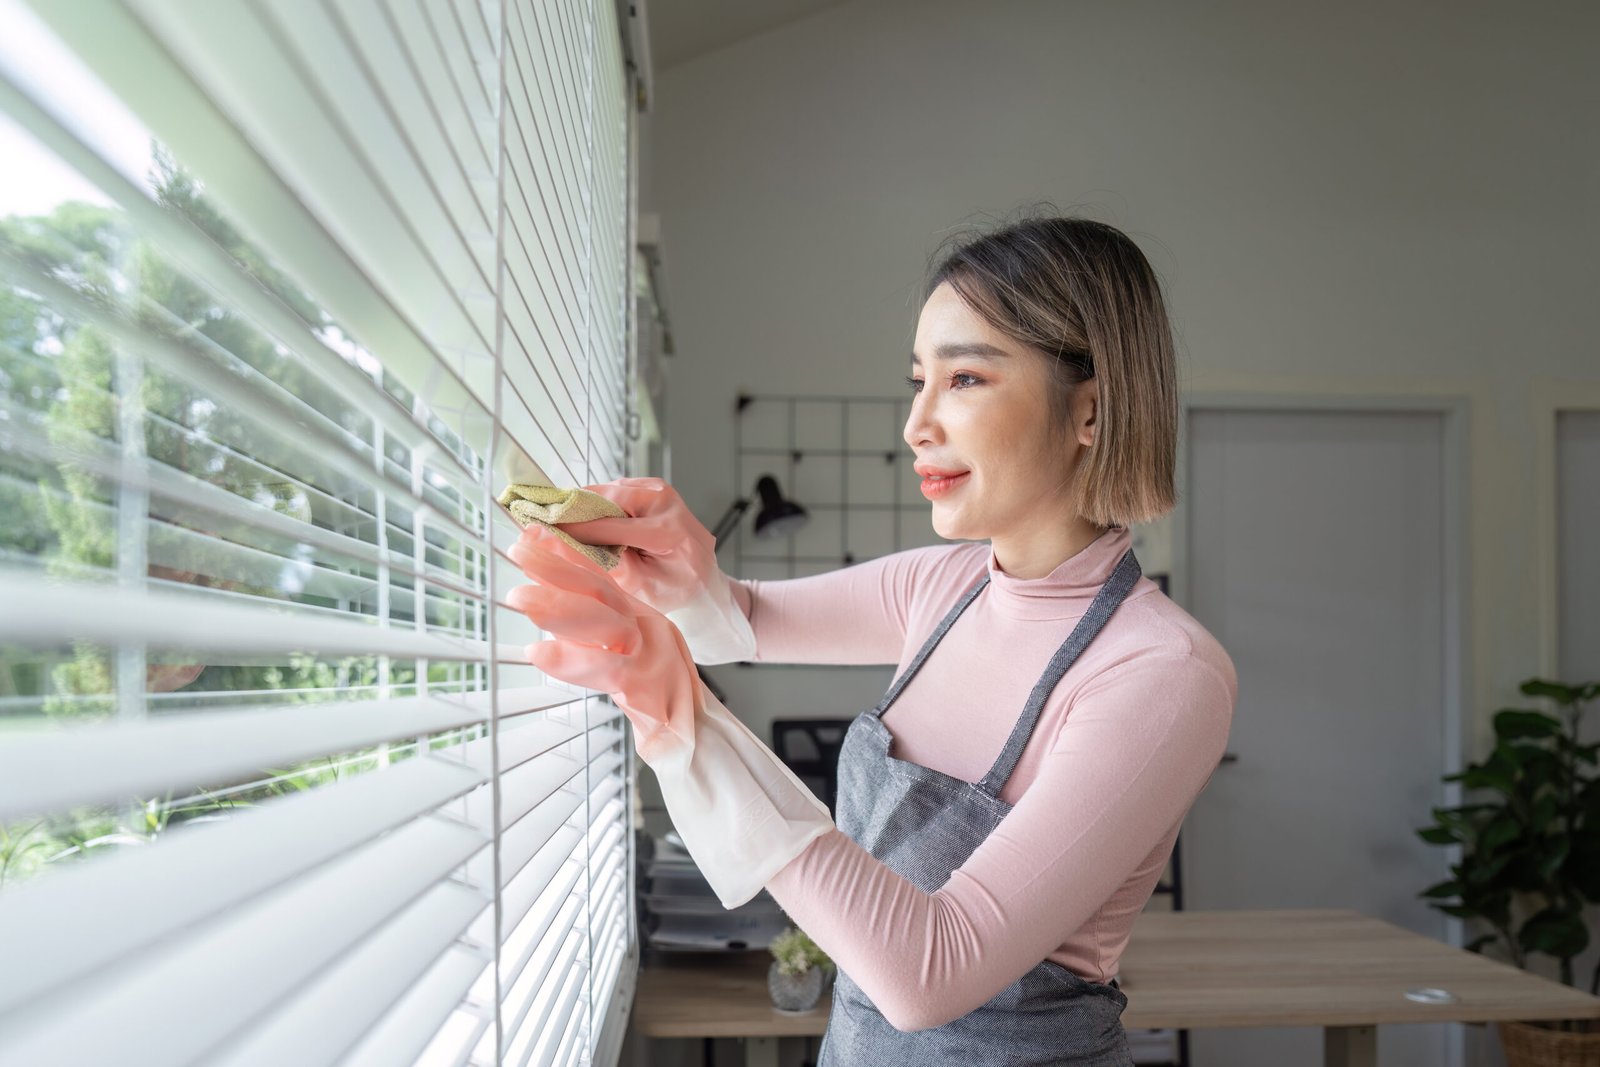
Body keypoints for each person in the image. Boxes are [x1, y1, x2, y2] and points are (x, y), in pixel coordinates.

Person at [508, 215, 1238, 1067]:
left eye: (964, 378)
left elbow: (933, 968)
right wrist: (673, 563)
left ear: (1091, 410)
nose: (916, 425)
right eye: (918, 381)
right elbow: (743, 621)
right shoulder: (945, 585)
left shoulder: (1162, 672)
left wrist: (684, 720)